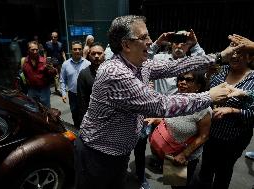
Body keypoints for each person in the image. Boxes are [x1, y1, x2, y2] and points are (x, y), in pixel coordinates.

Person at [74, 15, 245, 189]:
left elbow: (175, 66)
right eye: (144, 37)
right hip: (98, 154)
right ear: (126, 45)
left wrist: (219, 57)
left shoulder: (140, 64)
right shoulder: (116, 72)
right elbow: (161, 105)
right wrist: (209, 96)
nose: (151, 41)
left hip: (117, 153)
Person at [198, 34, 254, 189]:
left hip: (234, 138)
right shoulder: (221, 71)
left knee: (224, 171)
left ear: (250, 58)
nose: (235, 55)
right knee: (206, 168)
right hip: (210, 132)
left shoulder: (252, 80)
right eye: (233, 51)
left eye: (240, 53)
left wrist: (232, 110)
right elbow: (207, 92)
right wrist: (208, 77)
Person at [145, 71, 211, 189]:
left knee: (181, 186)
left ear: (198, 86)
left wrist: (184, 154)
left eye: (188, 80)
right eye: (180, 79)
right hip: (169, 154)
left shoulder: (204, 109)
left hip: (183, 157)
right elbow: (171, 120)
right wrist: (158, 119)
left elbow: (204, 136)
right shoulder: (176, 99)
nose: (182, 82)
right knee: (174, 183)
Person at [153, 29, 205, 95]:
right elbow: (141, 60)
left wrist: (195, 44)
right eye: (176, 43)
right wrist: (157, 43)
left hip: (179, 103)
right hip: (157, 103)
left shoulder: (191, 63)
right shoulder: (158, 58)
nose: (179, 46)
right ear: (171, 44)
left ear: (189, 46)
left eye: (183, 43)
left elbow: (204, 63)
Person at [60, 41, 90, 129]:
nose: (77, 51)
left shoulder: (87, 63)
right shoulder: (65, 64)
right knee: (75, 115)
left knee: (86, 116)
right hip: (72, 95)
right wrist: (63, 93)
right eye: (75, 49)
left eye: (79, 49)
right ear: (71, 51)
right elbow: (62, 80)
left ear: (82, 50)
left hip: (85, 95)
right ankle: (78, 133)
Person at [22, 41, 57, 108]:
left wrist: (52, 70)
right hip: (32, 89)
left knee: (46, 109)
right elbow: (25, 74)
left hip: (44, 89)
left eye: (36, 49)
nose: (35, 52)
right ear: (28, 50)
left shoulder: (44, 61)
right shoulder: (24, 61)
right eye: (32, 50)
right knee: (33, 109)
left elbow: (53, 73)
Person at [77, 42, 105, 124]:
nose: (96, 56)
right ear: (89, 55)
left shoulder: (112, 72)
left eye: (99, 53)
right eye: (93, 53)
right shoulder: (83, 74)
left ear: (104, 54)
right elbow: (81, 101)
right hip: (92, 119)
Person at [44, 31, 66, 96]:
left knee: (57, 76)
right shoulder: (47, 44)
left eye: (55, 37)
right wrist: (45, 61)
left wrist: (65, 60)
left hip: (58, 62)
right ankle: (48, 89)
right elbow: (45, 53)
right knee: (49, 76)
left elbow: (62, 52)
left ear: (57, 37)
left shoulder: (60, 44)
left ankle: (58, 89)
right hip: (50, 63)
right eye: (52, 37)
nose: (53, 38)